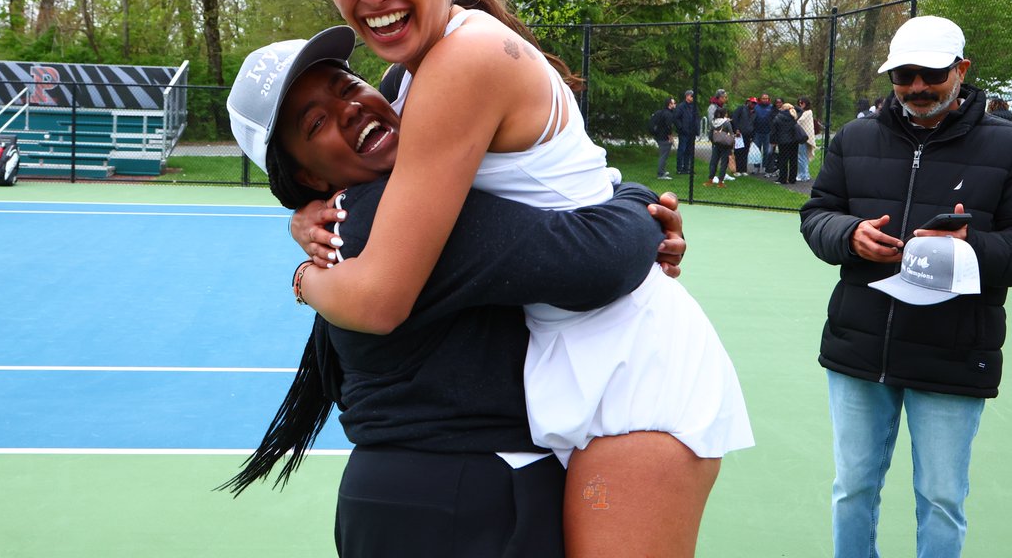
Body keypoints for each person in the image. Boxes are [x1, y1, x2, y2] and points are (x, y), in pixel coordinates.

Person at [298, 0, 751, 557]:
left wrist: (303, 277)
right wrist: (309, 214)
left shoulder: (465, 57)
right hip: (561, 361)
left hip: (632, 368)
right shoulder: (411, 74)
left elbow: (383, 296)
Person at [224, 30, 683, 556]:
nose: (348, 108)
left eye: (346, 84)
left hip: (432, 498)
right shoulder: (381, 216)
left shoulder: (371, 213)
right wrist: (638, 198)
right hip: (463, 498)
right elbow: (598, 259)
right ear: (304, 174)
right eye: (317, 122)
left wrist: (303, 275)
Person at [799, 14, 1012, 558]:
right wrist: (849, 236)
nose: (917, 87)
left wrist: (973, 247)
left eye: (931, 73)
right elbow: (817, 214)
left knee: (942, 497)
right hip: (860, 344)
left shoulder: (1007, 145)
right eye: (903, 75)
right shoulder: (854, 137)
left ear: (962, 69)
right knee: (853, 489)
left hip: (954, 350)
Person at [770, 101, 800, 184]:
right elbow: (800, 110)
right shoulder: (794, 116)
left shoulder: (779, 117)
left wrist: (773, 141)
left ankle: (783, 179)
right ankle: (792, 178)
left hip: (783, 141)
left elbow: (774, 130)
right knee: (793, 160)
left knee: (783, 160)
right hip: (794, 141)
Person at [704, 105, 733, 187]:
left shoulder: (713, 122)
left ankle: (710, 180)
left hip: (716, 145)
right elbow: (731, 134)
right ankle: (720, 182)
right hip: (725, 146)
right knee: (724, 163)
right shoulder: (726, 123)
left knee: (713, 162)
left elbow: (710, 135)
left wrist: (714, 141)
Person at [649, 96, 676, 179]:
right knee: (664, 155)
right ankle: (660, 173)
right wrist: (670, 137)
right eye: (673, 103)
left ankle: (662, 170)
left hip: (659, 136)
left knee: (664, 154)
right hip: (664, 138)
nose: (675, 104)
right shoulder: (668, 114)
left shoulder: (662, 112)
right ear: (669, 104)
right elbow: (668, 127)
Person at [730, 96, 756, 178]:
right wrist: (736, 129)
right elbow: (734, 119)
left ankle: (743, 169)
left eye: (754, 103)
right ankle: (737, 169)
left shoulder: (755, 112)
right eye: (752, 103)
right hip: (740, 134)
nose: (753, 104)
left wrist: (753, 135)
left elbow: (754, 124)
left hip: (749, 134)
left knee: (745, 152)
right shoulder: (741, 109)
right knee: (738, 151)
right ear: (748, 102)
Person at [674, 89, 698, 175]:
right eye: (692, 96)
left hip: (692, 132)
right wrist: (681, 128)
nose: (693, 98)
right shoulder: (681, 106)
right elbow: (676, 118)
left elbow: (696, 118)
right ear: (687, 96)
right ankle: (679, 168)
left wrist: (696, 129)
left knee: (689, 151)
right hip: (684, 132)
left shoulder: (694, 107)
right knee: (682, 150)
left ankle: (687, 168)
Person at [752, 92, 774, 175]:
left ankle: (765, 167)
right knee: (756, 151)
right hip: (757, 132)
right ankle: (756, 167)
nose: (765, 100)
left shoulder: (771, 107)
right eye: (763, 98)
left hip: (767, 133)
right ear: (760, 99)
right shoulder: (756, 107)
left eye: (766, 98)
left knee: (766, 151)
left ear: (768, 99)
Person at [795, 96, 816, 182]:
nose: (800, 105)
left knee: (802, 156)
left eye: (802, 103)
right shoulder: (802, 112)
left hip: (804, 138)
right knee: (802, 156)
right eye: (799, 103)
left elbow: (799, 121)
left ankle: (803, 175)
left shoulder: (808, 112)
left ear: (806, 103)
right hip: (801, 136)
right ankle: (804, 174)